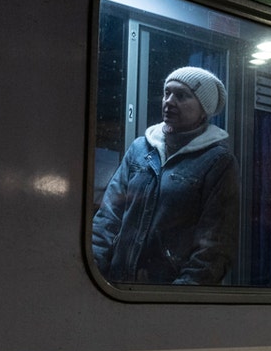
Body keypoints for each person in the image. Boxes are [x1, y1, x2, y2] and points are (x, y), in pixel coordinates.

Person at [92, 66, 238, 284]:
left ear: (203, 110)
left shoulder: (217, 161)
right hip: (116, 286)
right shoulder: (140, 149)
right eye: (166, 93)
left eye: (181, 96)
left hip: (167, 295)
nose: (169, 101)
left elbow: (214, 247)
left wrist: (176, 297)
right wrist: (92, 273)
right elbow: (109, 216)